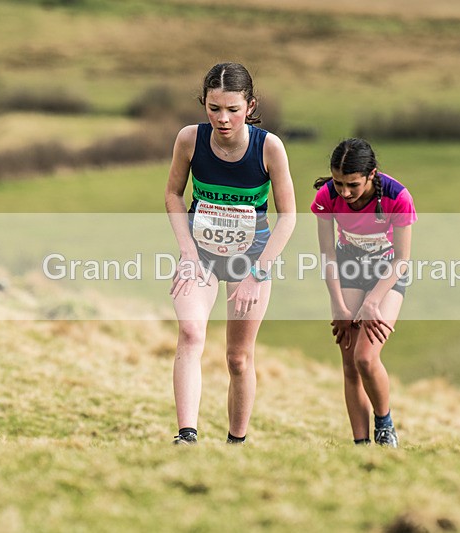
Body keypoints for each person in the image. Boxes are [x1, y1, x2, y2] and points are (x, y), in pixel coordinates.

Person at [165, 63, 296, 445]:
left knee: (238, 357)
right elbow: (173, 194)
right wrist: (187, 251)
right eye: (214, 108)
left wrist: (259, 272)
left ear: (250, 105)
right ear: (204, 104)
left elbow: (288, 216)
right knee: (190, 333)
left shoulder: (269, 147)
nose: (223, 119)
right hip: (200, 255)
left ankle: (235, 442)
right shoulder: (189, 140)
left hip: (250, 259)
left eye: (233, 109)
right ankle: (186, 435)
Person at [310, 138, 417, 447]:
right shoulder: (326, 196)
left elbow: (401, 260)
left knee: (365, 357)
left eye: (352, 185)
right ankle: (361, 445)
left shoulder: (398, 197)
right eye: (338, 182)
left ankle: (385, 426)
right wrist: (340, 306)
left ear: (371, 175)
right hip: (349, 269)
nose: (344, 192)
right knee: (349, 361)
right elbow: (328, 256)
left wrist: (372, 302)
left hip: (387, 274)